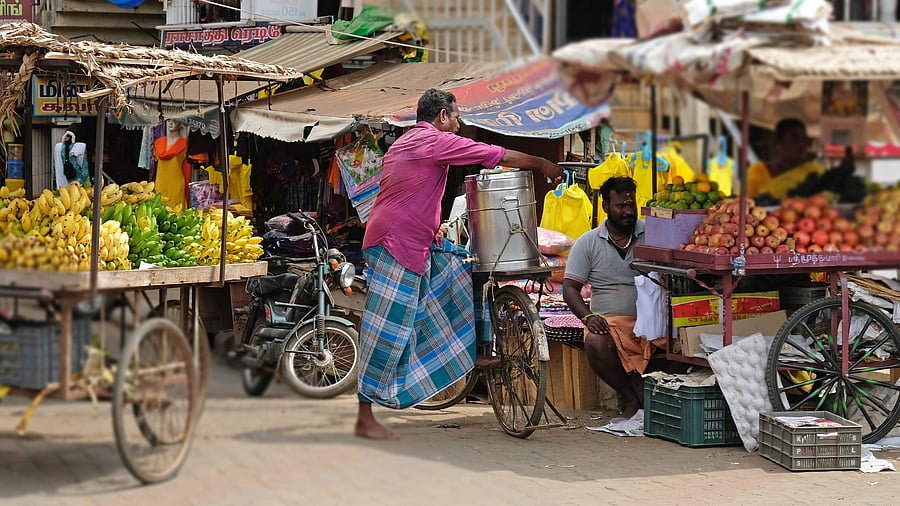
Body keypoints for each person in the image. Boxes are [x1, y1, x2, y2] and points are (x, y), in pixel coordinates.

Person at [355, 88, 563, 440]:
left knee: (458, 276)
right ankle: (365, 413)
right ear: (441, 117)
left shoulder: (405, 142)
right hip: (396, 242)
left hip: (412, 240)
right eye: (455, 117)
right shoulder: (433, 142)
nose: (457, 123)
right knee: (387, 332)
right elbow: (494, 155)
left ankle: (469, 353)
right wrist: (543, 164)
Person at [562, 176, 665, 418]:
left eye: (631, 205)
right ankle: (629, 397)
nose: (628, 211)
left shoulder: (653, 235)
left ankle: (658, 400)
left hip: (652, 324)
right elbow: (569, 288)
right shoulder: (588, 242)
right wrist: (587, 317)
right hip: (610, 324)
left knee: (682, 342)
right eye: (621, 206)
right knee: (595, 342)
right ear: (606, 207)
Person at [746, 118, 824, 200]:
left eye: (804, 139)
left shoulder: (814, 171)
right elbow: (745, 205)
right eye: (794, 139)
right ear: (778, 141)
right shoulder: (758, 172)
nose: (801, 144)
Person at [154, 119, 189, 209]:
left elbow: (187, 166)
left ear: (181, 125)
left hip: (176, 181)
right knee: (159, 207)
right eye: (169, 120)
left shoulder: (184, 144)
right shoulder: (158, 143)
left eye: (175, 121)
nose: (171, 123)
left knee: (176, 209)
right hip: (161, 181)